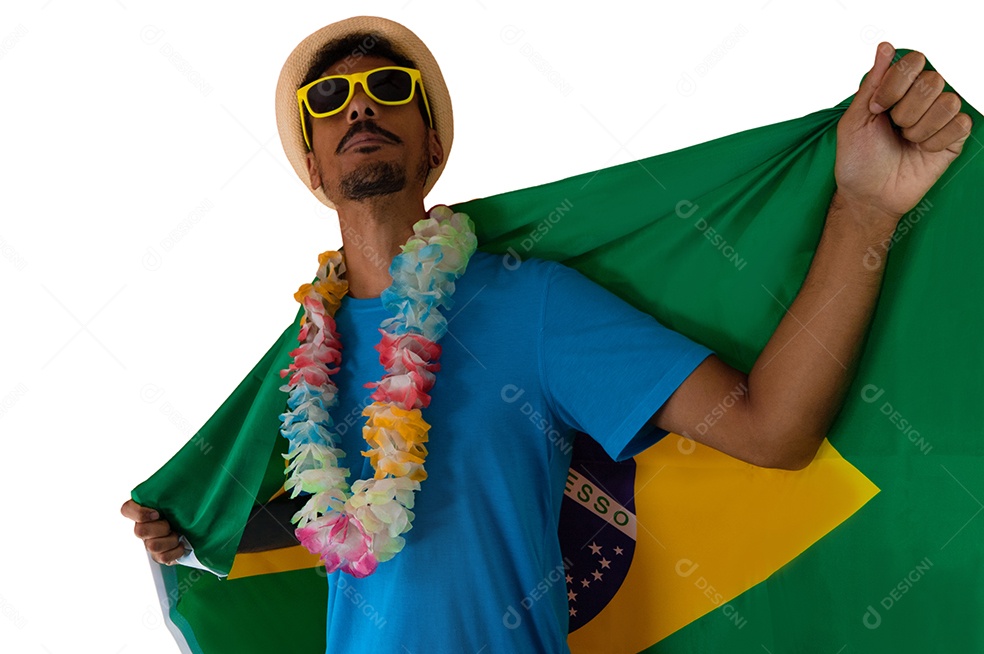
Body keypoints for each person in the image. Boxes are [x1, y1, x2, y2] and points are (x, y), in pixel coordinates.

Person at [122, 15, 971, 653]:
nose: (358, 108)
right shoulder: (299, 363)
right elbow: (301, 530)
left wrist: (864, 207)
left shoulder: (533, 307)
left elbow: (771, 429)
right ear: (312, 163)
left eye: (388, 90)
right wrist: (189, 532)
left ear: (433, 143)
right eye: (328, 100)